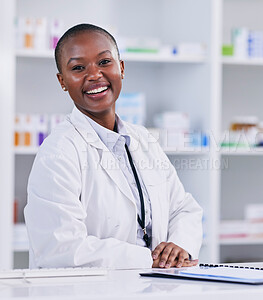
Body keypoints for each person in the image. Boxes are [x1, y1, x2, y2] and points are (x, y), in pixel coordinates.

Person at [24, 23, 203, 269]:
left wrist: (179, 245)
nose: (94, 75)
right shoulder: (58, 153)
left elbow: (183, 209)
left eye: (104, 62)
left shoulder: (144, 140)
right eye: (78, 68)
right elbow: (61, 248)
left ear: (121, 67)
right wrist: (150, 259)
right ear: (62, 81)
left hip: (156, 286)